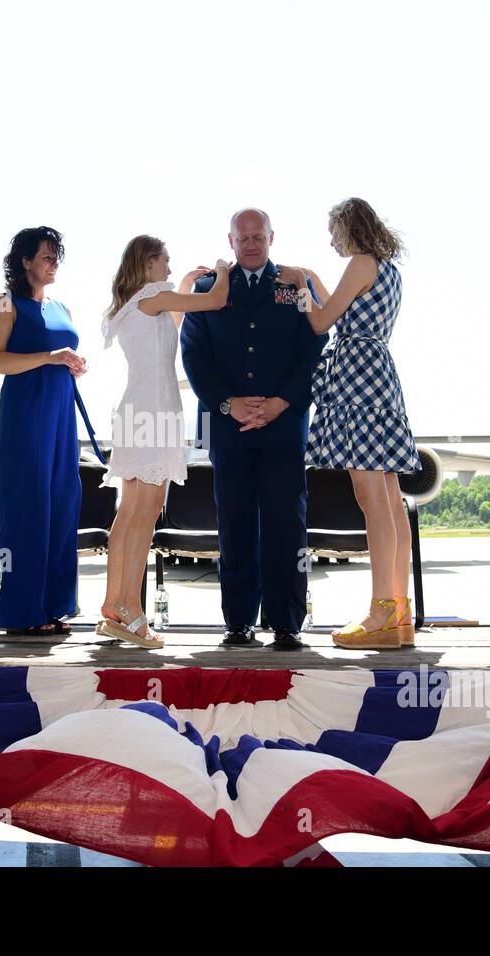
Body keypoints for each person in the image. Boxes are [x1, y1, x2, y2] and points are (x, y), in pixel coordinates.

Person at [180, 208, 329, 651]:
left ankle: (287, 622)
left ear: (271, 237)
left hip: (284, 426)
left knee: (287, 523)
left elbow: (315, 346)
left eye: (258, 236)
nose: (250, 244)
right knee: (235, 524)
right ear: (230, 241)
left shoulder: (294, 286)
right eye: (242, 237)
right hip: (229, 429)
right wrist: (228, 404)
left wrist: (284, 400)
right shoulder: (207, 292)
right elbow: (194, 355)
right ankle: (239, 621)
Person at [276, 197, 419, 649]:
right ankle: (398, 612)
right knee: (391, 497)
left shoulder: (359, 262)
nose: (330, 238)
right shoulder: (387, 268)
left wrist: (302, 287)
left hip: (356, 375)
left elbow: (320, 321)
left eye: (333, 229)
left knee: (371, 497)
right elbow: (342, 303)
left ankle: (380, 613)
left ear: (348, 227)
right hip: (379, 373)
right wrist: (312, 278)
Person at [97, 236, 231, 648]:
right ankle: (129, 610)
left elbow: (169, 330)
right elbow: (215, 302)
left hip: (137, 409)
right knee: (146, 511)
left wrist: (185, 285)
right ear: (149, 262)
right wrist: (223, 272)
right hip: (153, 410)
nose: (170, 269)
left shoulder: (133, 303)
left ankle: (114, 604)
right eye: (166, 261)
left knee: (131, 510)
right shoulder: (154, 294)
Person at [0, 226, 86, 634]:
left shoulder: (62, 307)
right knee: (28, 505)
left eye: (56, 256)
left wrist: (72, 362)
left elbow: (58, 356)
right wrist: (50, 356)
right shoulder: (6, 304)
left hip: (61, 412)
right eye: (46, 256)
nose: (53, 263)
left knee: (62, 501)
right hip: (26, 413)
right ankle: (23, 612)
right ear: (25, 261)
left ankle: (54, 606)